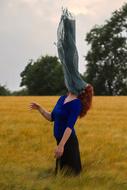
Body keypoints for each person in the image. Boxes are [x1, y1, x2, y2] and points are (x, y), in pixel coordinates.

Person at [29, 84, 93, 176]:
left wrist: (61, 146)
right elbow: (51, 117)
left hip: (68, 143)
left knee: (71, 177)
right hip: (59, 142)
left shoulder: (76, 103)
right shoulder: (62, 98)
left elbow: (69, 126)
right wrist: (40, 108)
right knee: (59, 174)